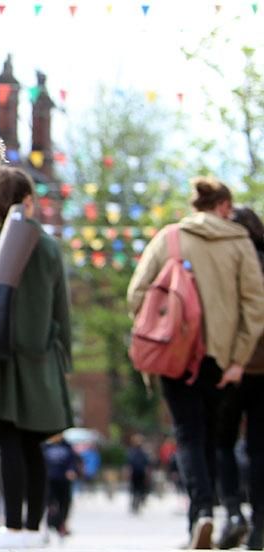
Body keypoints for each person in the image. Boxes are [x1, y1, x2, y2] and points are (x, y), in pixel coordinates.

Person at [127, 177, 264, 550]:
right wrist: (238, 359)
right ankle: (207, 516)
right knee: (210, 435)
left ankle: (200, 514)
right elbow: (255, 307)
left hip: (175, 354)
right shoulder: (239, 243)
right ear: (223, 206)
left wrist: (157, 332)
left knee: (187, 433)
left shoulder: (170, 236)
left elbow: (137, 293)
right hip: (219, 359)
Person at [0, 166, 74, 549]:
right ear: (28, 200)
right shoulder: (49, 245)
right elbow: (62, 310)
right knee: (33, 445)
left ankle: (14, 528)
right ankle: (33, 529)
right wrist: (63, 362)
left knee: (7, 442)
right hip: (40, 362)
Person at [215, 206, 264, 550]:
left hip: (230, 367)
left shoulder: (226, 263)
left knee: (223, 444)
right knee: (260, 448)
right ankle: (260, 525)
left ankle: (233, 510)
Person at [44, 433, 81, 539]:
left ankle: (62, 525)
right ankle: (49, 524)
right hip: (50, 480)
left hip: (64, 480)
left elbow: (73, 461)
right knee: (50, 503)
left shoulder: (67, 446)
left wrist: (72, 470)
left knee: (65, 503)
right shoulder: (46, 447)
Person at [126, 434, 151, 515]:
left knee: (139, 489)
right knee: (135, 489)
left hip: (140, 473)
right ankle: (135, 504)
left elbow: (147, 464)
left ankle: (137, 503)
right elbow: (129, 463)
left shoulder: (142, 452)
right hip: (135, 473)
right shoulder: (132, 452)